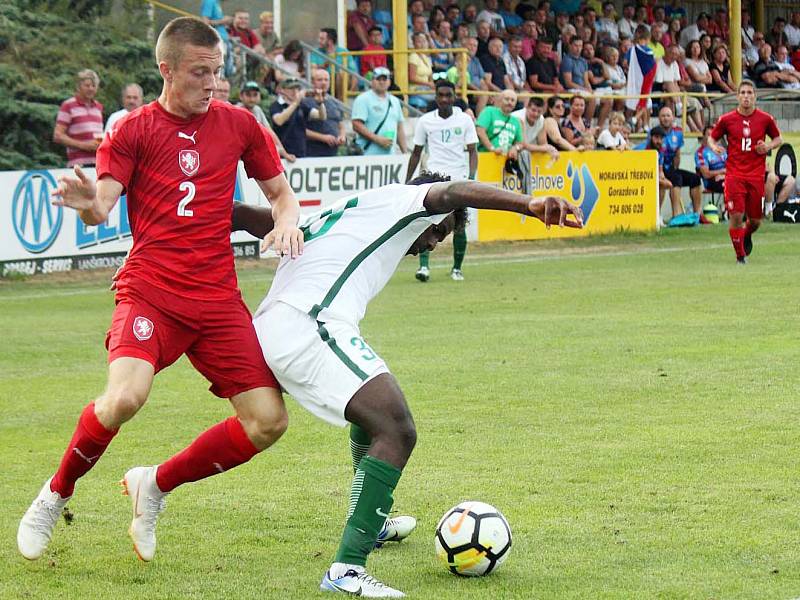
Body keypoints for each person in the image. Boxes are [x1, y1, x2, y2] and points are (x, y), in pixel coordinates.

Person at [18, 17, 302, 563]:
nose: (212, 85)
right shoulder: (132, 130)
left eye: (217, 73)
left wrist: (286, 220)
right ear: (165, 69)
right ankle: (55, 493)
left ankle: (154, 485)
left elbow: (282, 196)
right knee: (125, 397)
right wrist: (87, 205)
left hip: (218, 299)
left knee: (268, 422)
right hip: (152, 290)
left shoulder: (240, 124)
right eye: (200, 73)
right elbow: (102, 204)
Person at [237, 175, 583, 597]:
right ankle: (347, 568)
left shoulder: (361, 208)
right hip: (307, 326)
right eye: (438, 230)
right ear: (428, 212)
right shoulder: (406, 202)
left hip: (283, 324)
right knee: (397, 429)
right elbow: (453, 191)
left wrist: (203, 217)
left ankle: (374, 522)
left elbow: (255, 218)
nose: (435, 243)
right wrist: (528, 203)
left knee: (371, 412)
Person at [405, 80, 479, 283]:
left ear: (454, 97)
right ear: (436, 97)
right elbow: (416, 153)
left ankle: (457, 268)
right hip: (433, 178)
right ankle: (423, 267)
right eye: (441, 95)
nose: (445, 99)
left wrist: (471, 177)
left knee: (459, 223)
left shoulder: (464, 120)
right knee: (426, 221)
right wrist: (408, 181)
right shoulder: (425, 121)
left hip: (458, 178)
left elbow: (473, 151)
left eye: (448, 95)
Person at [707, 80, 783, 263]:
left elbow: (778, 138)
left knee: (755, 221)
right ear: (738, 96)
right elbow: (712, 137)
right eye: (743, 93)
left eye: (750, 93)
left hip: (756, 176)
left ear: (755, 97)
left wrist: (767, 145)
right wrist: (714, 146)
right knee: (736, 215)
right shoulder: (727, 120)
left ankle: (746, 235)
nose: (746, 96)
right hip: (734, 175)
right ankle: (740, 256)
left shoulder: (765, 119)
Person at [657, 105, 706, 223]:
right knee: (676, 178)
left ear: (673, 118)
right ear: (659, 118)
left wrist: (676, 168)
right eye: (663, 116)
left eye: (668, 115)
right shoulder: (655, 133)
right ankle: (676, 215)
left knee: (694, 178)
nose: (665, 118)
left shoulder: (678, 133)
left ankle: (697, 214)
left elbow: (677, 153)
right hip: (658, 169)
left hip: (671, 168)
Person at [351, 67, 407, 155]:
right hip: (367, 154)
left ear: (389, 82)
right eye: (378, 79)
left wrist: (405, 152)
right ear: (372, 81)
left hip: (389, 155)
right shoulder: (363, 99)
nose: (381, 82)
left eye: (384, 79)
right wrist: (377, 139)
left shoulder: (395, 101)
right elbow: (356, 125)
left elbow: (399, 128)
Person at [54, 69, 104, 168]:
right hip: (78, 165)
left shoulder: (98, 107)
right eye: (87, 85)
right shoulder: (68, 105)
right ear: (79, 87)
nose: (91, 89)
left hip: (98, 164)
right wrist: (83, 145)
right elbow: (58, 136)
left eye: (93, 86)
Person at [238, 80, 296, 162]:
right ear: (241, 96)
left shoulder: (257, 110)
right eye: (248, 95)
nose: (252, 99)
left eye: (255, 95)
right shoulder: (237, 110)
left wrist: (283, 152)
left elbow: (269, 132)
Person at [269, 78, 327, 159]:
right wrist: (295, 102)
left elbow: (321, 116)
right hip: (282, 154)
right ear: (282, 90)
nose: (295, 91)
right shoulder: (276, 105)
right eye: (291, 88)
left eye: (297, 88)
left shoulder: (302, 105)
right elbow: (279, 121)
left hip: (300, 152)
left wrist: (320, 103)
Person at [304, 69, 346, 158]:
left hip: (333, 153)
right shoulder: (305, 102)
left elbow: (341, 124)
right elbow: (300, 129)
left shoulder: (335, 103)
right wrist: (323, 138)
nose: (323, 83)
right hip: (312, 153)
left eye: (326, 80)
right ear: (312, 82)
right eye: (319, 80)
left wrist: (342, 136)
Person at [475, 88, 523, 157]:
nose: (509, 102)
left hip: (504, 160)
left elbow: (520, 143)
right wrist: (492, 148)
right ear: (500, 100)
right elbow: (480, 131)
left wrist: (515, 148)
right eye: (507, 99)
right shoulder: (489, 111)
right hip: (485, 157)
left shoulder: (516, 121)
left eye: (512, 100)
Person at [695, 125, 726, 194]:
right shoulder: (700, 152)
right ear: (704, 136)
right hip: (711, 182)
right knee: (733, 187)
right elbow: (706, 174)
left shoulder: (721, 149)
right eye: (708, 135)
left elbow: (731, 166)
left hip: (725, 178)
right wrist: (722, 171)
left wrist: (723, 175)